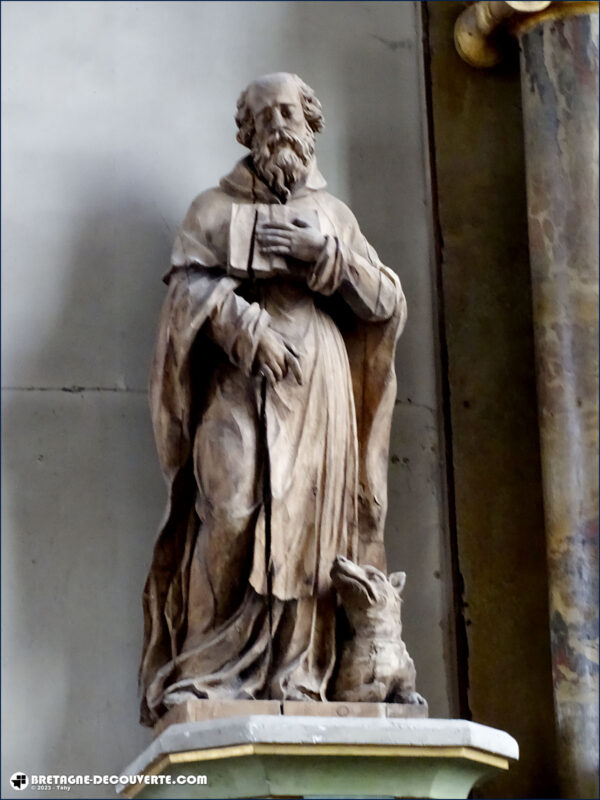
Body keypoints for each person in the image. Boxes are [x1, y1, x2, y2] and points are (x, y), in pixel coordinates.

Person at [139, 72, 407, 726]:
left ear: (311, 126)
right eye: (264, 116)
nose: (278, 125)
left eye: (291, 112)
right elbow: (183, 300)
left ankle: (298, 672)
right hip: (239, 380)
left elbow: (386, 302)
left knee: (310, 524)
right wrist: (237, 325)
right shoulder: (213, 209)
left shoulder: (334, 215)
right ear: (248, 131)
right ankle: (203, 671)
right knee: (228, 508)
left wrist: (333, 258)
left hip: (316, 380)